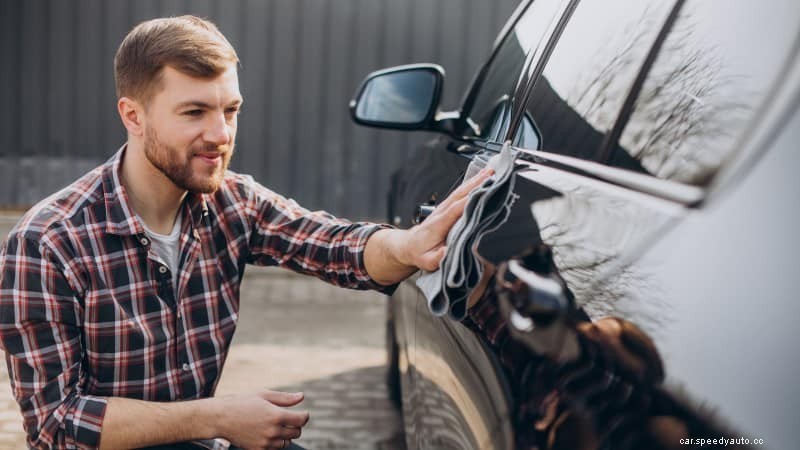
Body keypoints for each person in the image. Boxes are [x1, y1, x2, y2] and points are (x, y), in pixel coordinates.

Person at [0, 16, 491, 450]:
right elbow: (56, 427)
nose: (221, 135)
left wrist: (407, 244)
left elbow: (335, 246)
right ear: (133, 115)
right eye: (194, 113)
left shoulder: (232, 201)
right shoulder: (48, 243)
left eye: (230, 110)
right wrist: (220, 418)